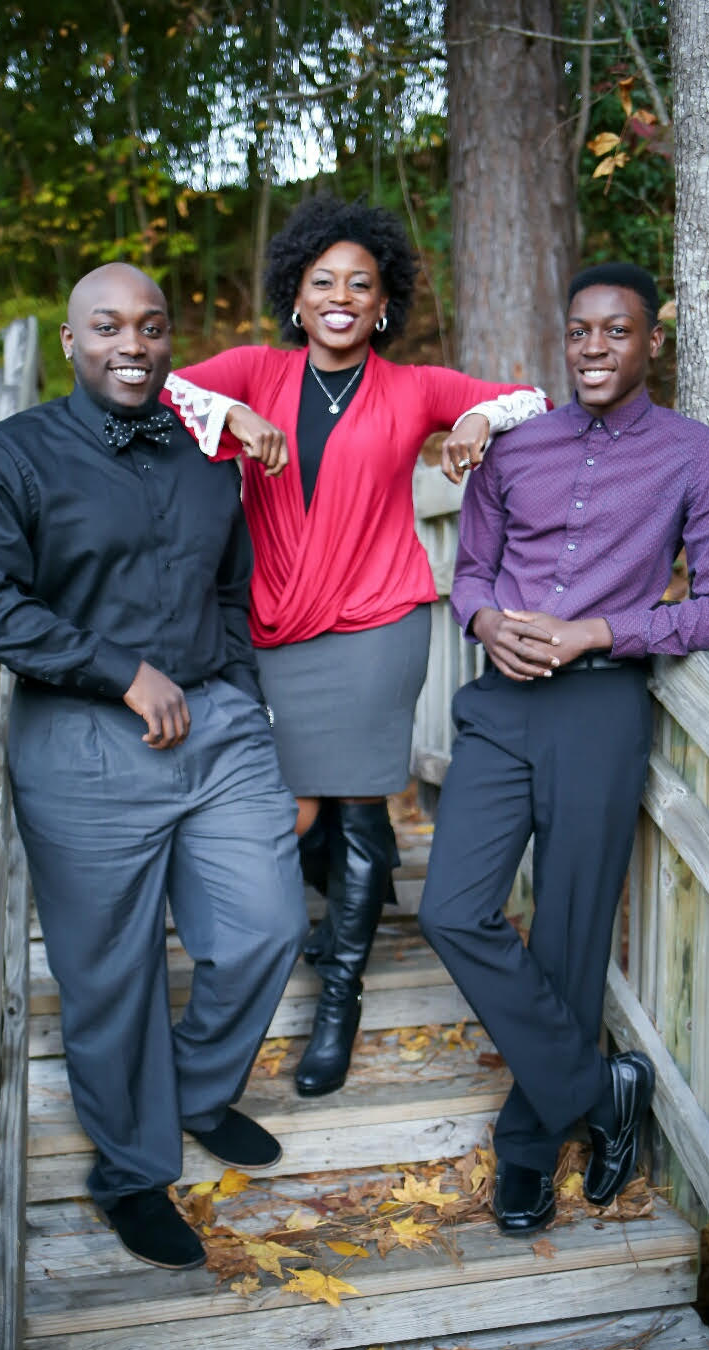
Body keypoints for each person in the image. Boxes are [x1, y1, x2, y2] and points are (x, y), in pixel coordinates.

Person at [0, 261, 309, 1272]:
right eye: (107, 327)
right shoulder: (8, 458)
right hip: (86, 742)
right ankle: (131, 1169)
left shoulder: (203, 452)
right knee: (112, 973)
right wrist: (119, 671)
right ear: (70, 341)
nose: (131, 344)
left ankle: (193, 1088)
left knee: (268, 923)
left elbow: (232, 580)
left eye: (149, 325)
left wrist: (232, 681)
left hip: (219, 725)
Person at [167, 195, 549, 1099]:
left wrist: (477, 423)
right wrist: (232, 418)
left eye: (361, 285)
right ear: (296, 298)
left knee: (363, 798)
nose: (341, 296)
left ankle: (339, 996)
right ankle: (299, 936)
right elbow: (164, 385)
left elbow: (529, 397)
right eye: (322, 281)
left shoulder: (413, 387)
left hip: (380, 618)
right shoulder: (257, 370)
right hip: (277, 622)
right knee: (295, 803)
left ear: (383, 306)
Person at [417, 262, 709, 1236]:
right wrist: (486, 623)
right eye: (579, 333)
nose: (595, 349)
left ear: (653, 343)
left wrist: (602, 633)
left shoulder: (697, 458)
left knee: (566, 936)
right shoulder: (515, 445)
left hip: (601, 709)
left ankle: (526, 1153)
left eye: (616, 332)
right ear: (562, 341)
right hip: (501, 703)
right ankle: (600, 1091)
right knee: (452, 910)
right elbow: (471, 571)